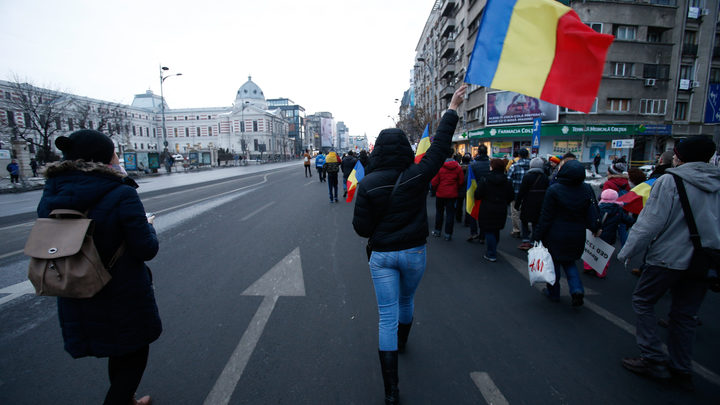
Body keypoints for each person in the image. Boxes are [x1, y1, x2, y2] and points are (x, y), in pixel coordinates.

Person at [352, 84, 466, 405]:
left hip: (382, 256)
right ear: (404, 148)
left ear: (377, 152)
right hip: (415, 252)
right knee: (406, 300)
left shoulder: (368, 183)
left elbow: (361, 229)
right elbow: (440, 147)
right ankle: (403, 343)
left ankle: (391, 391)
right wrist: (452, 107)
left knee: (385, 316)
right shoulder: (417, 174)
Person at [38, 129, 160, 405]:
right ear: (105, 158)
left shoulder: (52, 192)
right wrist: (149, 227)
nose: (117, 157)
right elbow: (145, 249)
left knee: (119, 349)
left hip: (76, 285)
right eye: (114, 152)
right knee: (134, 353)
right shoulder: (120, 193)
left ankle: (126, 399)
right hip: (119, 289)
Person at [618, 136, 720, 391]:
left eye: (675, 154)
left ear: (681, 156)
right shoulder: (716, 182)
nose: (673, 158)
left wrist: (626, 252)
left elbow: (650, 223)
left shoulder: (670, 180)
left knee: (643, 301)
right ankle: (681, 367)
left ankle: (653, 357)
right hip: (703, 260)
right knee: (685, 314)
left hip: (668, 257)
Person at [533, 159, 601, 306]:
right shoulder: (586, 189)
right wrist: (595, 227)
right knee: (570, 263)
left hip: (555, 233)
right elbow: (592, 212)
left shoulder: (554, 190)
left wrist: (537, 235)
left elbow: (546, 216)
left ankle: (554, 292)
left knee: (554, 265)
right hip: (577, 233)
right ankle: (577, 289)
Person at [582, 189, 635, 278]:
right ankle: (601, 272)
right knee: (604, 253)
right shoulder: (618, 210)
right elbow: (628, 220)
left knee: (591, 249)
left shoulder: (598, 207)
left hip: (596, 232)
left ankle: (588, 267)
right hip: (609, 236)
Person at [475, 158, 515, 262]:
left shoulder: (485, 179)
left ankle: (491, 253)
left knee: (489, 230)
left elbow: (477, 195)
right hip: (501, 208)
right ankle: (493, 248)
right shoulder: (507, 180)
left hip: (487, 207)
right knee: (496, 229)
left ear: (492, 167)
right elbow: (511, 196)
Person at [514, 157, 549, 250]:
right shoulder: (545, 177)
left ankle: (525, 240)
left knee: (524, 220)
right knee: (536, 222)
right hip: (541, 203)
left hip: (528, 202)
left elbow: (521, 191)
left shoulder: (527, 176)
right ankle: (534, 240)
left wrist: (517, 204)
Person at [430, 149, 464, 241]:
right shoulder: (458, 167)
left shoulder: (440, 167)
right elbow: (461, 181)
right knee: (450, 214)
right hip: (452, 194)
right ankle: (448, 234)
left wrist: (435, 188)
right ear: (452, 155)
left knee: (439, 213)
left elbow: (434, 182)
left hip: (441, 193)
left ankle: (437, 231)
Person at [467, 145, 491, 242]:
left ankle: (473, 232)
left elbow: (468, 179)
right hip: (488, 192)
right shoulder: (490, 164)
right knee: (485, 214)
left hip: (475, 190)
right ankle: (482, 235)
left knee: (473, 212)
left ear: (479, 153)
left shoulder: (473, 165)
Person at [506, 148, 531, 238]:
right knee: (526, 212)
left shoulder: (514, 166)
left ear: (519, 156)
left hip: (516, 193)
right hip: (529, 195)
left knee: (515, 212)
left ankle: (516, 230)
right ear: (528, 155)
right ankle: (526, 228)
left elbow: (508, 180)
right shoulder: (532, 166)